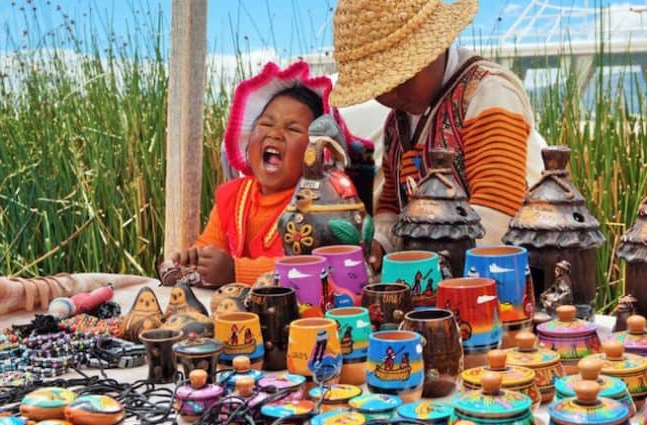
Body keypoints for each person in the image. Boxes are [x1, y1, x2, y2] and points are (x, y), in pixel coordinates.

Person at [330, 0, 546, 270]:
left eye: (403, 77)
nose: (392, 93)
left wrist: (420, 260)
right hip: (434, 273)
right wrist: (380, 244)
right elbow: (390, 202)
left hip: (498, 276)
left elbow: (496, 213)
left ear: (436, 48)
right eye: (381, 86)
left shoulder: (487, 95)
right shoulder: (397, 122)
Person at [170, 62, 371, 287]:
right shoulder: (233, 195)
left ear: (318, 153)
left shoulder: (318, 203)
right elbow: (211, 245)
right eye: (265, 124)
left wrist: (235, 271)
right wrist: (194, 261)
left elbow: (311, 265)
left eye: (293, 129)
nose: (275, 134)